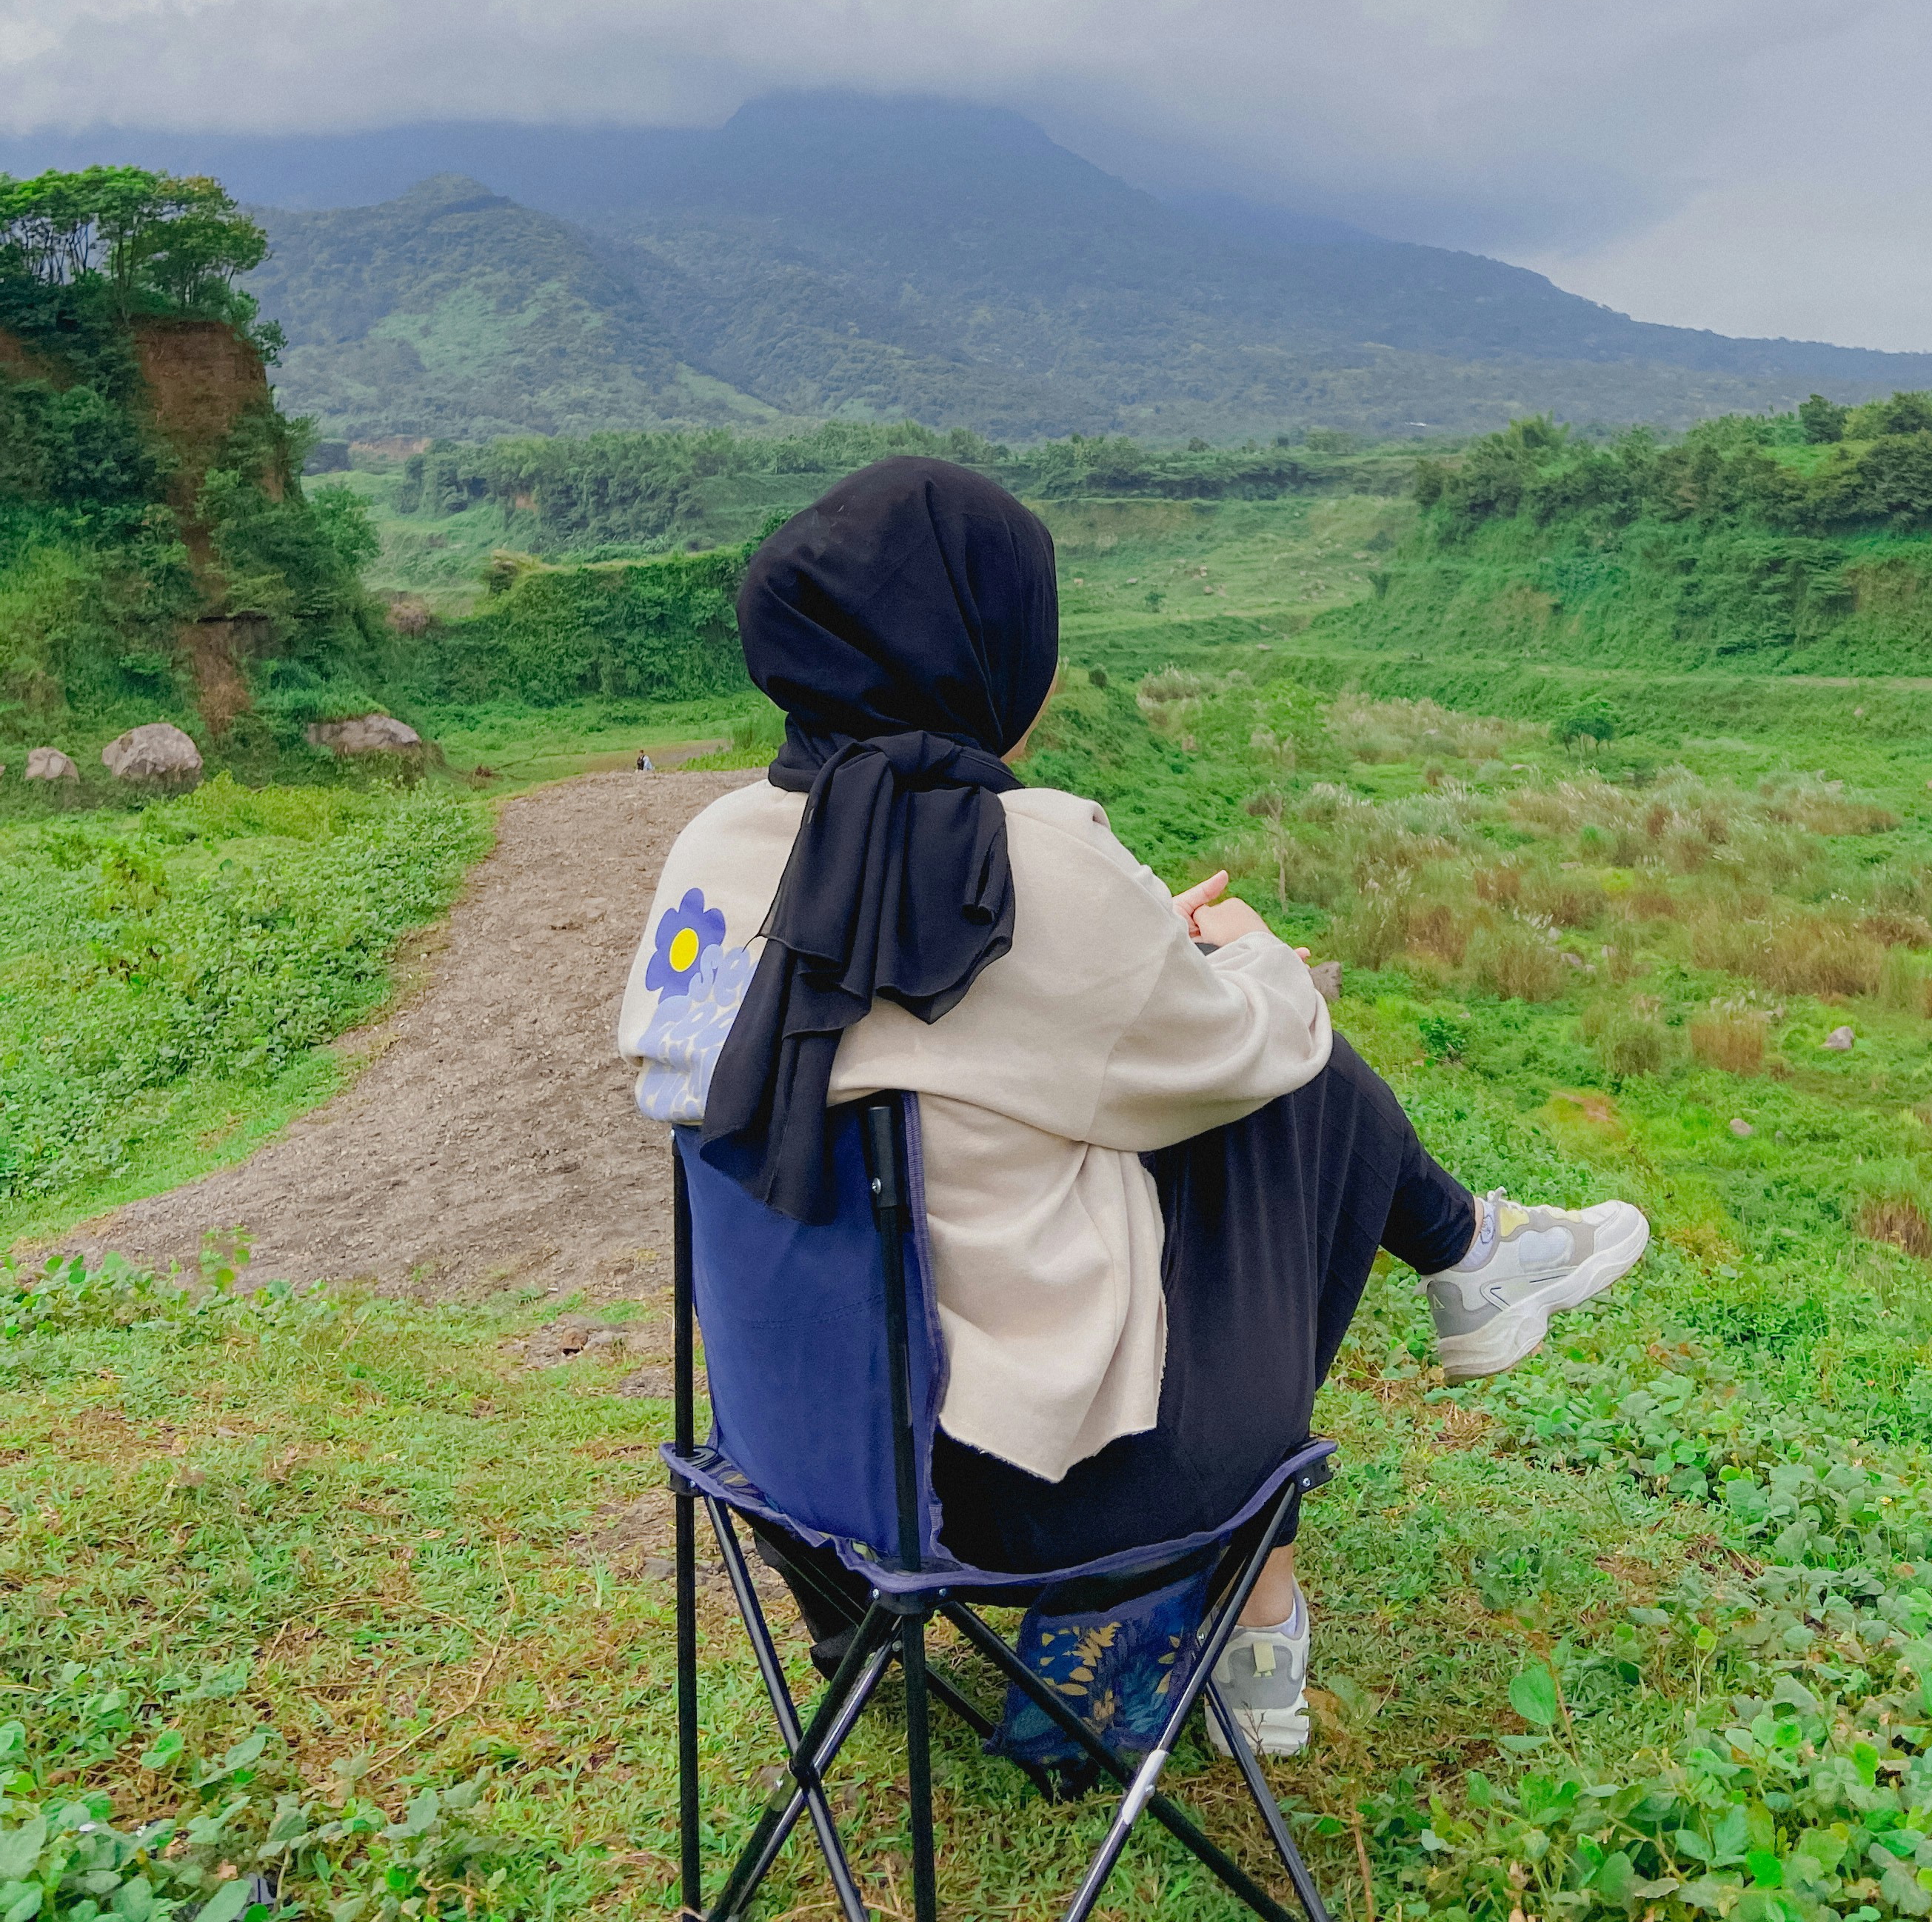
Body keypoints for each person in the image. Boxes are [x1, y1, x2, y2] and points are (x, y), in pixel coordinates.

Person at [618, 458, 1648, 1756]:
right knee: (1302, 1093)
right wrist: (1246, 953)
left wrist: (1124, 958)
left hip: (800, 1458)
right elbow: (1255, 1046)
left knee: (1078, 1131)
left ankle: (1466, 1274)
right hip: (1052, 1496)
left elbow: (876, 1033)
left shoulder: (712, 848)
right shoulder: (1032, 856)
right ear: (989, 650)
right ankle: (1442, 1300)